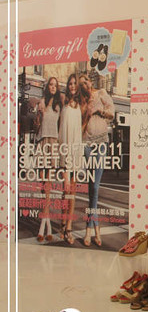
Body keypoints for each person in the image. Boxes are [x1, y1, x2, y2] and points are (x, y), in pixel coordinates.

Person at [78, 74, 114, 247]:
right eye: (81, 84)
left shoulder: (101, 93)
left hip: (100, 142)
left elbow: (112, 113)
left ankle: (89, 229)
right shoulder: (82, 102)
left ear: (90, 81)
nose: (85, 84)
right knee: (91, 186)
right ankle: (95, 229)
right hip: (87, 143)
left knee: (95, 187)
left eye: (86, 81)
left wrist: (99, 111)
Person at [35, 77, 64, 243]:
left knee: (49, 186)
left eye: (55, 85)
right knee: (42, 186)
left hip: (53, 143)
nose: (53, 87)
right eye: (51, 85)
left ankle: (43, 227)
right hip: (42, 142)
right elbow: (37, 126)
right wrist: (38, 115)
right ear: (47, 87)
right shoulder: (42, 102)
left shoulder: (58, 105)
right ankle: (48, 226)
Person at [59, 74, 83, 245]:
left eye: (75, 83)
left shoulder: (80, 105)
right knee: (65, 191)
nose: (73, 86)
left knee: (73, 192)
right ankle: (62, 223)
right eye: (70, 83)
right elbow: (61, 132)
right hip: (65, 151)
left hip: (75, 152)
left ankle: (68, 227)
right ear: (67, 86)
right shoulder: (64, 104)